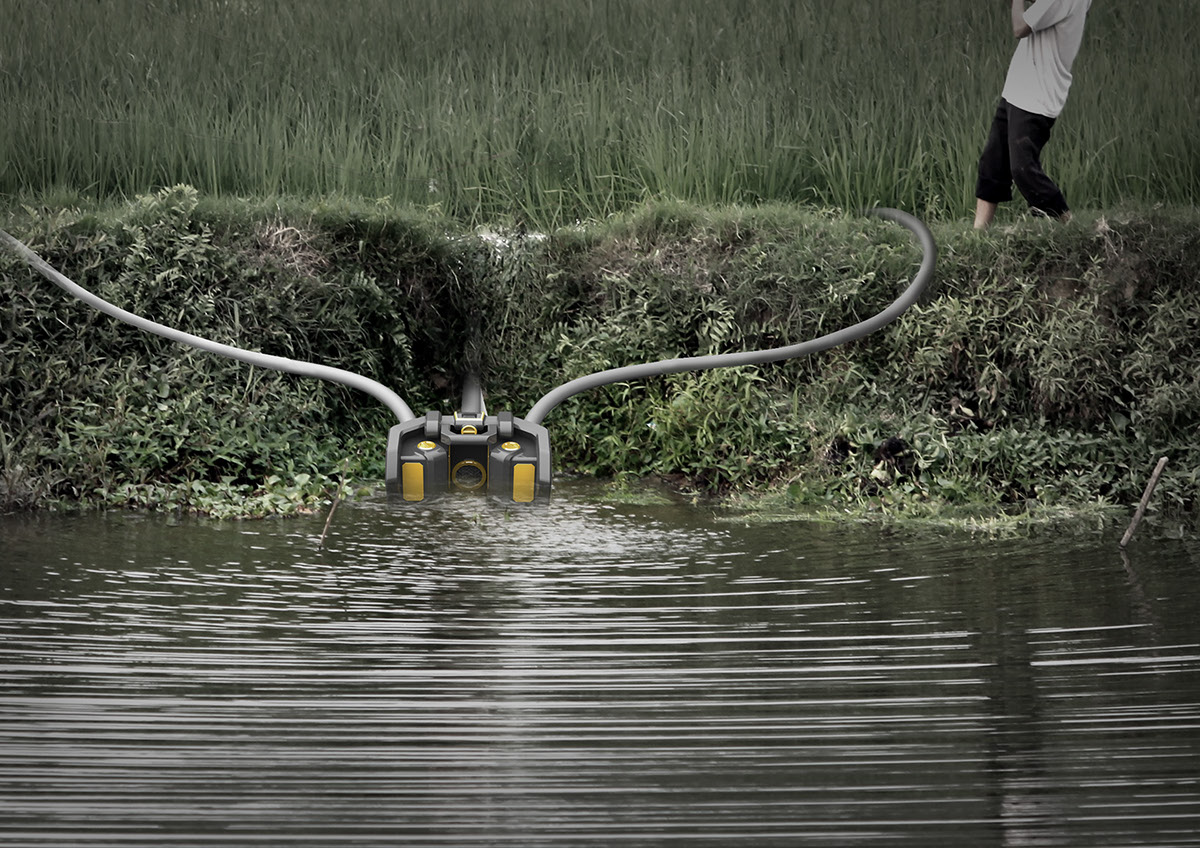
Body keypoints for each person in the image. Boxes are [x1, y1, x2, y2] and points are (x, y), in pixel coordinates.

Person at [974, 0, 1092, 229]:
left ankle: (1070, 225)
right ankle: (978, 234)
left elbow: (1020, 27)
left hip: (1036, 97)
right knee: (992, 164)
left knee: (1023, 169)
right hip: (1017, 89)